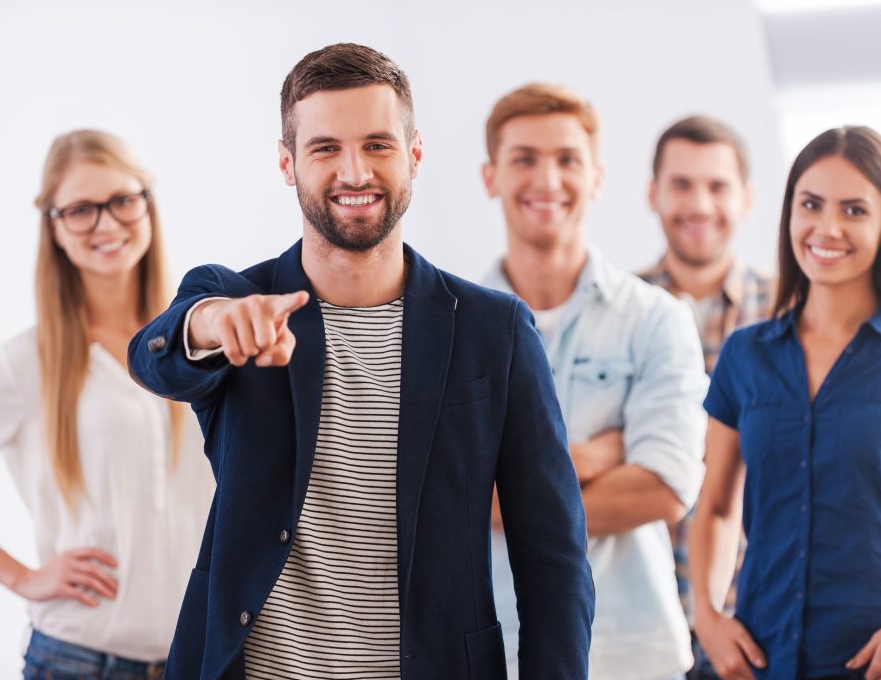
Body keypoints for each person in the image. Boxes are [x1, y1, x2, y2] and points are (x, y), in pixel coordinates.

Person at [128, 44, 594, 680]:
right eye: (325, 148)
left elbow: (555, 562)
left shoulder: (496, 331)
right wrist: (208, 324)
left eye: (378, 144)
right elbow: (155, 358)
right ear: (288, 164)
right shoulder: (241, 302)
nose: (355, 171)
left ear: (415, 155)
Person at [690, 126, 881, 680]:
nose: (827, 228)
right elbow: (716, 507)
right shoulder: (746, 355)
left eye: (855, 210)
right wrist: (707, 618)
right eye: (810, 204)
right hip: (758, 658)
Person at [0, 129, 215, 679]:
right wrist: (23, 577)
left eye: (122, 200)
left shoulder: (202, 336)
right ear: (55, 228)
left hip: (207, 657)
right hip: (77, 661)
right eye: (81, 209)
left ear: (147, 203)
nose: (107, 224)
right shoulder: (28, 361)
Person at [481, 82, 708, 680]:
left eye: (567, 160)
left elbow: (663, 488)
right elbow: (443, 494)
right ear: (490, 177)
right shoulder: (452, 328)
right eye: (524, 158)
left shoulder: (657, 318)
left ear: (597, 177)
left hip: (633, 649)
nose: (547, 181)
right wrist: (594, 456)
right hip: (494, 647)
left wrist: (509, 492)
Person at [639, 115, 774, 679]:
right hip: (644, 620)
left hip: (762, 621)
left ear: (746, 198)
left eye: (717, 186)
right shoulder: (620, 312)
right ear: (653, 194)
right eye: (682, 184)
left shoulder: (794, 313)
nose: (699, 204)